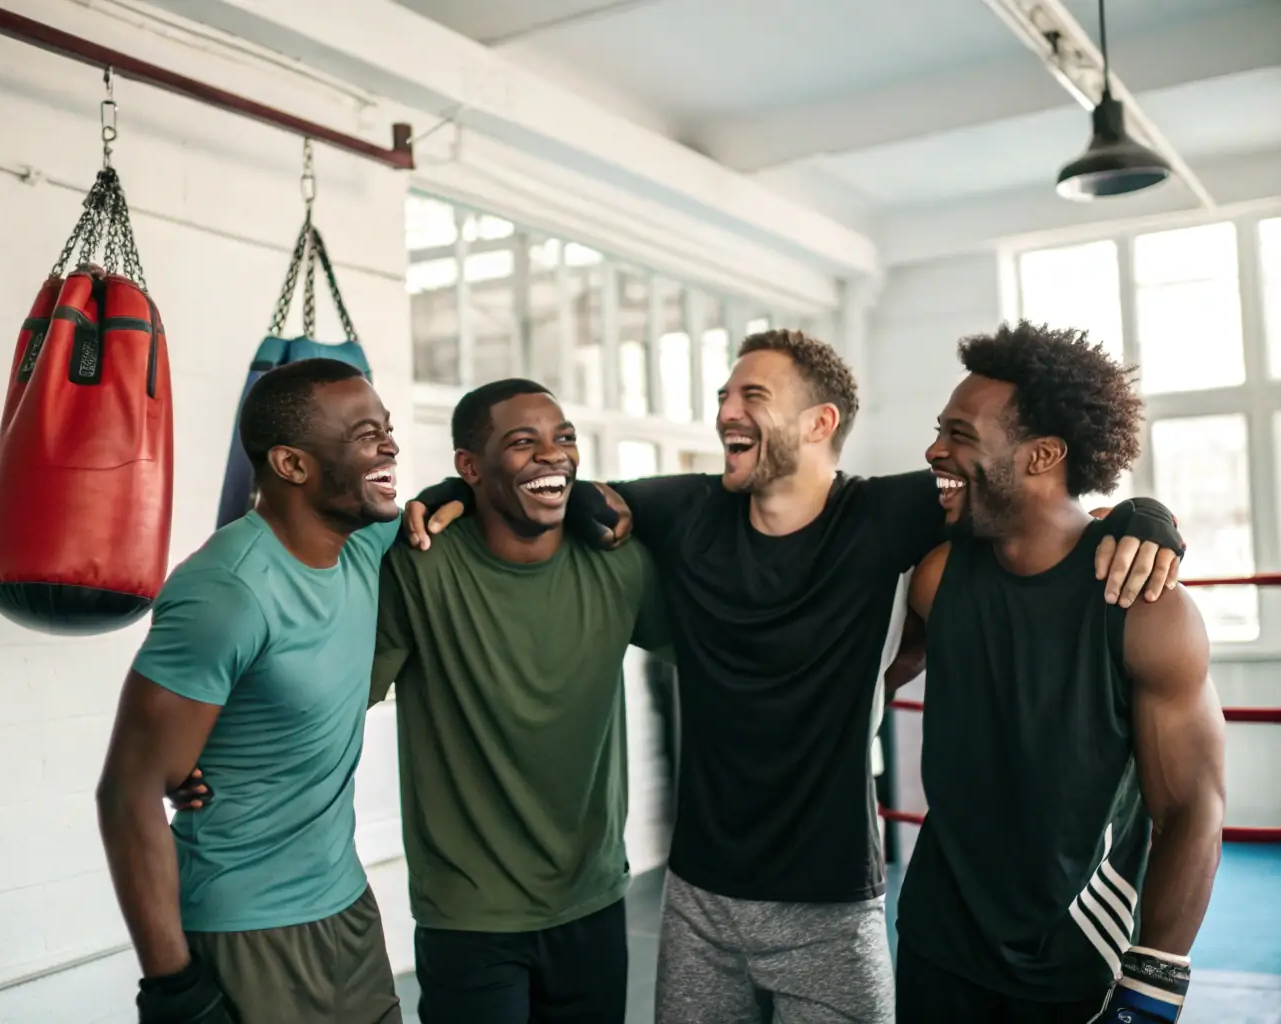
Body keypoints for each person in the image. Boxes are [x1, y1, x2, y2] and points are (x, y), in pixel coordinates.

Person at [405, 329, 1184, 1023]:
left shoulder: (891, 513)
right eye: (723, 395)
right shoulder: (683, 511)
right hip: (699, 897)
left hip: (832, 903)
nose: (724, 412)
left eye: (752, 396)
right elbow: (555, 491)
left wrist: (1143, 516)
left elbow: (1028, 495)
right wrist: (452, 491)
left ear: (819, 423)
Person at [893, 322, 1226, 1024]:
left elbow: (1191, 806)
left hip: (1073, 949)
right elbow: (878, 672)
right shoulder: (938, 577)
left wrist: (1153, 982)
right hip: (936, 938)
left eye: (959, 433)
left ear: (1043, 454)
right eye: (938, 430)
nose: (933, 450)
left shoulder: (1144, 607)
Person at [95, 359, 404, 1024]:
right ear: (292, 465)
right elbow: (127, 793)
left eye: (386, 429)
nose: (390, 446)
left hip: (346, 907)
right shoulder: (227, 591)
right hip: (246, 927)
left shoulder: (362, 539)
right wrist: (172, 986)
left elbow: (454, 500)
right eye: (365, 435)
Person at [371, 378, 669, 1023]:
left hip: (591, 897)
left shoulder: (620, 565)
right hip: (470, 912)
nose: (553, 453)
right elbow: (337, 697)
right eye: (523, 442)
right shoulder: (422, 565)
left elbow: (724, 657)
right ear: (469, 466)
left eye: (565, 438)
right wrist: (218, 753)